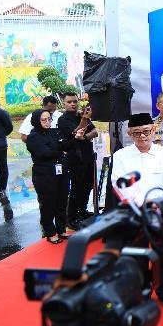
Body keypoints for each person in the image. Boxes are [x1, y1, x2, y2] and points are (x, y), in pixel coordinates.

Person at [111, 112, 163, 309]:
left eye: (146, 131)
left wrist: (156, 202)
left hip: (159, 211)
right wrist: (141, 203)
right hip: (134, 212)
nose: (142, 136)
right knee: (137, 255)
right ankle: (142, 292)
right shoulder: (121, 156)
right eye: (137, 133)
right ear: (130, 134)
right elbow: (118, 183)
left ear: (153, 131)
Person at [25, 109, 79, 244]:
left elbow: (65, 144)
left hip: (61, 171)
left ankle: (61, 229)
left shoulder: (55, 132)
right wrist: (61, 152)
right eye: (43, 119)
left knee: (62, 201)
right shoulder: (33, 137)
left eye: (49, 119)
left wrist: (75, 138)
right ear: (37, 121)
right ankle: (50, 232)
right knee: (48, 204)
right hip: (44, 174)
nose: (47, 122)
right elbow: (44, 153)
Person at [57, 92, 98, 229]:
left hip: (88, 155)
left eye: (75, 101)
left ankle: (82, 211)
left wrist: (84, 137)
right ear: (64, 103)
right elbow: (77, 132)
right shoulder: (63, 120)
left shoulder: (81, 115)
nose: (73, 104)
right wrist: (84, 120)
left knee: (88, 185)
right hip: (74, 158)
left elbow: (95, 132)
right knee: (77, 188)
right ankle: (71, 218)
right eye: (69, 102)